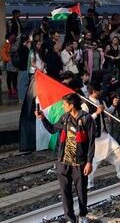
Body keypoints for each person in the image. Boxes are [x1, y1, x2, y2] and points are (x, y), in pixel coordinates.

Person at [36, 93, 96, 223]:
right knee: (65, 191)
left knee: (81, 191)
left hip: (79, 162)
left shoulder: (87, 119)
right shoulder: (65, 118)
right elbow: (52, 129)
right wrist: (42, 118)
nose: (63, 106)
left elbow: (91, 142)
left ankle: (83, 215)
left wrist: (89, 162)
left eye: (64, 104)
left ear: (71, 105)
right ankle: (70, 218)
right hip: (63, 162)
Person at [81, 83, 120, 189]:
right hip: (94, 138)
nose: (101, 92)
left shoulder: (101, 101)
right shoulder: (85, 105)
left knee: (117, 150)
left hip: (104, 134)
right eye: (98, 91)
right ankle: (89, 183)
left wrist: (114, 105)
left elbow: (108, 113)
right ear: (93, 92)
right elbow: (84, 121)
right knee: (94, 161)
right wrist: (96, 113)